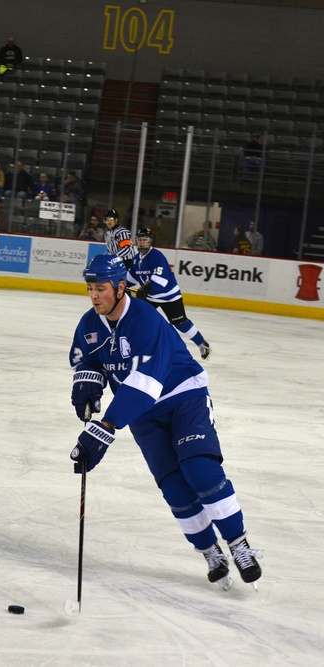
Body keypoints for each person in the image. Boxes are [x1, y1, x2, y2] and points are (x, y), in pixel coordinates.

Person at [69, 254, 261, 590]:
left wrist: (107, 427)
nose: (94, 295)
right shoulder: (89, 324)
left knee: (200, 470)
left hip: (182, 397)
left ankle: (239, 544)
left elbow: (146, 382)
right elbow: (87, 358)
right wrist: (87, 380)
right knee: (174, 487)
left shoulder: (145, 320)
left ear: (119, 287)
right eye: (90, 288)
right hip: (142, 414)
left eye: (100, 288)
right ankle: (209, 552)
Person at [131, 228, 211, 359]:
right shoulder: (136, 259)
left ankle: (202, 343)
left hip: (169, 296)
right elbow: (132, 277)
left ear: (150, 241)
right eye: (140, 240)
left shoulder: (156, 256)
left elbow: (160, 280)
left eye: (145, 240)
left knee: (181, 324)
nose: (142, 243)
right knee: (139, 317)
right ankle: (140, 346)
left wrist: (145, 290)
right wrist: (119, 284)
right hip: (151, 297)